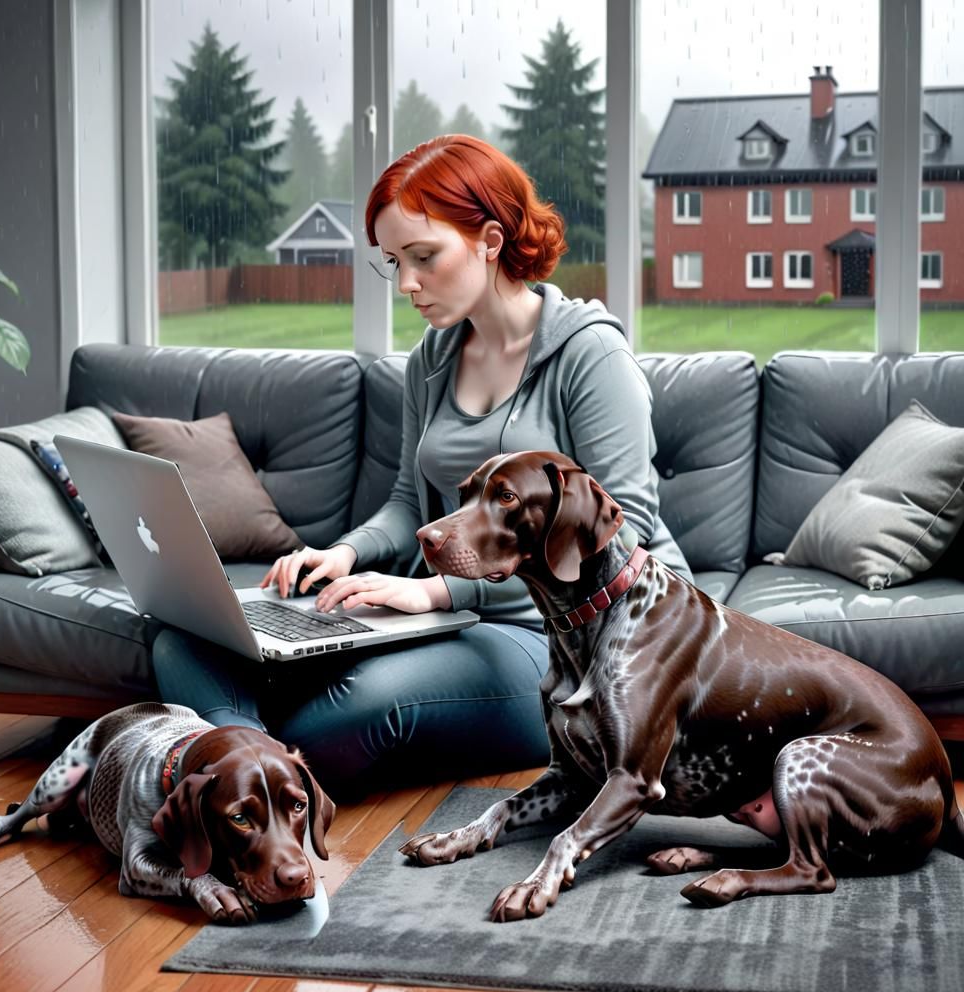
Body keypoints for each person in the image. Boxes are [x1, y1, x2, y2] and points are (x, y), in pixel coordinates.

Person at [154, 135, 691, 798]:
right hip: (452, 621)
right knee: (181, 643)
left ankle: (216, 768)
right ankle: (248, 776)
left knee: (361, 702)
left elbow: (622, 538)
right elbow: (410, 501)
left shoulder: (591, 358)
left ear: (490, 240)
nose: (407, 283)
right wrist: (345, 553)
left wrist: (438, 592)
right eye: (393, 262)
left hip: (570, 640)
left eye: (423, 257)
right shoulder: (432, 361)